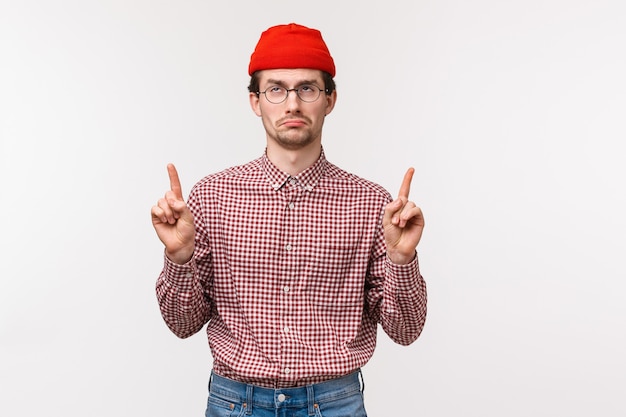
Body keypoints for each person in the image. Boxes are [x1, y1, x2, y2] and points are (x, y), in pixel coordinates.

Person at [151, 23, 427, 417]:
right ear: (255, 101)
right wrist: (178, 258)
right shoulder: (210, 197)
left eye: (307, 89)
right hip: (235, 404)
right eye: (276, 89)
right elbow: (182, 324)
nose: (292, 104)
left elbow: (407, 331)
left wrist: (402, 262)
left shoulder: (373, 205)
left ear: (329, 100)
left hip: (335, 404)